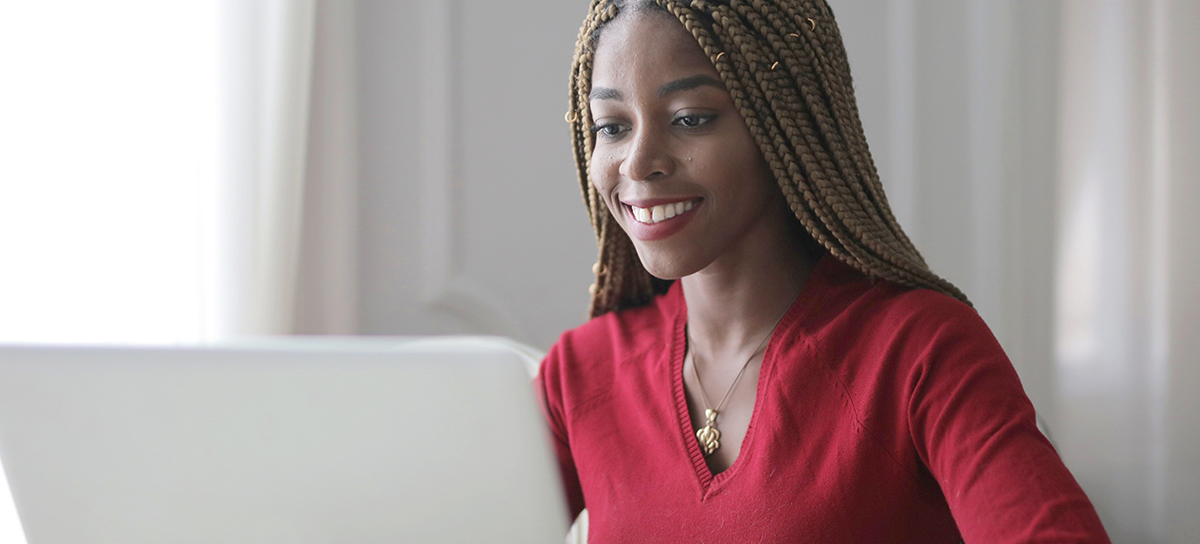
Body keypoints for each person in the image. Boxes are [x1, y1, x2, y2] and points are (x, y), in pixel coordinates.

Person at [537, 0, 1111, 541]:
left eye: (690, 118)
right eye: (612, 126)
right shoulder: (579, 377)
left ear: (783, 123)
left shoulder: (919, 351)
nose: (637, 161)